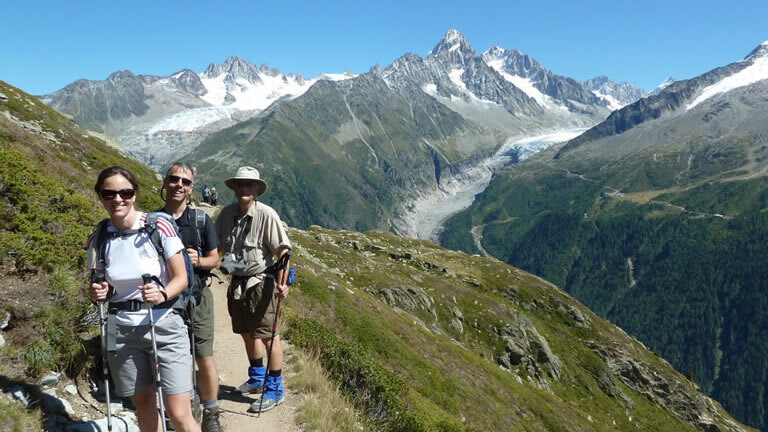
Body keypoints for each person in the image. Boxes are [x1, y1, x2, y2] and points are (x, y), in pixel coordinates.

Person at [87, 166, 200, 432]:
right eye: (109, 193)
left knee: (178, 412)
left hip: (164, 323)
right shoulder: (99, 237)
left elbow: (181, 278)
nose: (118, 199)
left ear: (134, 194)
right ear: (100, 196)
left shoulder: (158, 226)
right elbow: (101, 282)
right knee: (144, 405)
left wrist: (162, 293)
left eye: (125, 192)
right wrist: (99, 292)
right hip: (121, 329)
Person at [215, 166, 291, 413]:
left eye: (249, 185)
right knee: (246, 333)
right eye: (240, 184)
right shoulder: (226, 214)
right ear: (235, 188)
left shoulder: (267, 215)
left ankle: (275, 390)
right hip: (237, 283)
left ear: (257, 189)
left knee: (268, 336)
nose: (244, 189)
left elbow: (283, 251)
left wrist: (283, 283)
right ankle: (257, 377)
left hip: (260, 284)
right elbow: (216, 246)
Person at [160, 163, 222, 432]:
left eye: (185, 182)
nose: (179, 185)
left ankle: (211, 411)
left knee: (203, 356)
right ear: (165, 182)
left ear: (191, 188)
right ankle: (180, 412)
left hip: (197, 297)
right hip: (166, 300)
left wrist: (199, 261)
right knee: (173, 358)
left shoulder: (200, 220)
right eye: (174, 179)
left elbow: (215, 259)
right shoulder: (153, 221)